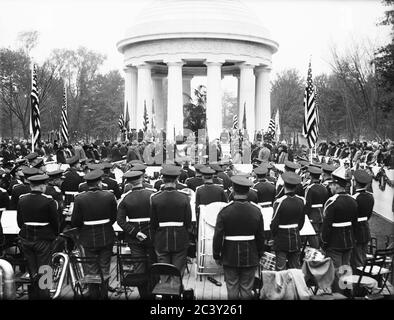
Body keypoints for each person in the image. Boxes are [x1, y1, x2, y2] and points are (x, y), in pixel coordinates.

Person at [213, 175, 265, 300]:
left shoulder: (225, 211)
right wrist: (259, 253)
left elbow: (218, 236)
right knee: (247, 288)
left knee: (232, 287)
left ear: (233, 190)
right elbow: (260, 236)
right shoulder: (256, 211)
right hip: (250, 254)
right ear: (248, 192)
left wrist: (216, 254)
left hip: (229, 254)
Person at [71, 169, 117, 299]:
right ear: (99, 183)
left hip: (88, 237)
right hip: (106, 235)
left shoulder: (79, 198)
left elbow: (75, 221)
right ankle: (103, 296)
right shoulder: (108, 196)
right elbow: (114, 217)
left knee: (91, 268)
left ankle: (93, 295)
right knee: (105, 267)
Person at [17, 174, 58, 299]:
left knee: (32, 269)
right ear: (41, 186)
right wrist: (54, 235)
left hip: (26, 237)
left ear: (31, 186)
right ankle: (44, 295)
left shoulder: (22, 199)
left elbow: (19, 221)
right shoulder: (48, 200)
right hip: (43, 238)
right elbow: (55, 222)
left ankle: (34, 295)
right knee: (45, 268)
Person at [117, 171, 156, 299]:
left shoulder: (125, 198)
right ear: (142, 179)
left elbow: (120, 221)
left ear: (129, 182)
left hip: (134, 237)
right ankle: (153, 295)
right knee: (153, 265)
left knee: (139, 267)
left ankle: (144, 296)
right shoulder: (152, 194)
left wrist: (135, 232)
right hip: (151, 234)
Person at [150, 166, 192, 283]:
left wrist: (155, 239)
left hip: (161, 238)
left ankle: (165, 293)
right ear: (177, 179)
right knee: (177, 272)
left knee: (164, 273)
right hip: (180, 237)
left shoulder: (155, 198)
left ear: (163, 180)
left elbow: (153, 223)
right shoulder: (184, 198)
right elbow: (188, 221)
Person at [321, 166, 358, 292]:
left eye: (331, 185)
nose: (330, 188)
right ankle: (348, 292)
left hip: (335, 242)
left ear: (337, 185)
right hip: (349, 240)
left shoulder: (331, 202)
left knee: (336, 271)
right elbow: (354, 223)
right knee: (346, 269)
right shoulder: (353, 201)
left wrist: (324, 243)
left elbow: (326, 227)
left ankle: (339, 294)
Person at [270, 172, 306, 270]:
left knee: (281, 268)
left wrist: (274, 236)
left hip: (282, 238)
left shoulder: (280, 202)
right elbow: (301, 222)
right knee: (295, 268)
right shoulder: (301, 201)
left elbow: (274, 223)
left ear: (284, 185)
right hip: (295, 236)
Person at [350, 170, 374, 270]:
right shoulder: (370, 196)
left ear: (355, 183)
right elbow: (369, 214)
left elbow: (352, 216)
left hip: (356, 229)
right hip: (366, 226)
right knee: (363, 254)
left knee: (356, 257)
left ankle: (360, 281)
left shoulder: (354, 198)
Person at [304, 166, 329, 249]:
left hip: (313, 213)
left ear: (311, 176)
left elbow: (307, 204)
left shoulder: (309, 188)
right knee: (320, 233)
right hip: (322, 212)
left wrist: (305, 215)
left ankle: (316, 252)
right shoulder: (324, 188)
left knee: (313, 234)